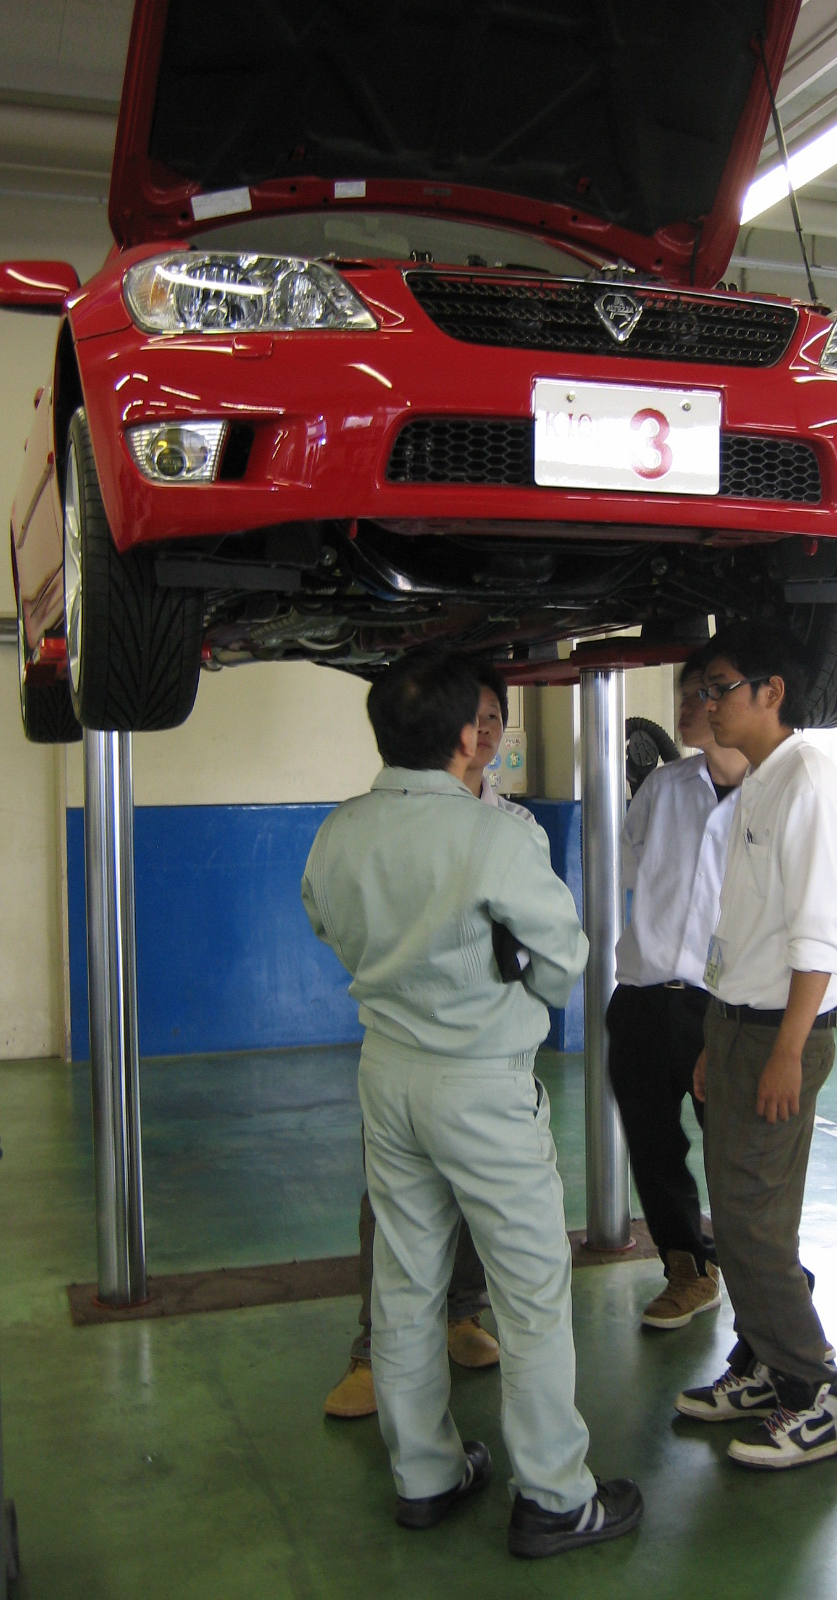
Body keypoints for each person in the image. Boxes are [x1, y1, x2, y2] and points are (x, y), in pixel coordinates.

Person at [302, 650, 642, 1554]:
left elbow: (324, 920)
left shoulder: (340, 830)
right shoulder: (495, 837)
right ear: (465, 736)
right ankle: (556, 1498)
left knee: (406, 1277)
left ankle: (425, 1474)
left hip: (387, 1073)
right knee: (529, 1291)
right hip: (483, 1083)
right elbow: (565, 961)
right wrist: (515, 992)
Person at [674, 626, 837, 1473]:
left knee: (753, 1226)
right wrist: (717, 1035)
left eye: (719, 687)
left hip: (779, 1031)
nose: (706, 703)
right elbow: (744, 926)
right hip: (737, 1025)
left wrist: (787, 1049)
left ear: (771, 691)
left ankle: (817, 1392)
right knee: (740, 1216)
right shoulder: (758, 784)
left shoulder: (808, 783)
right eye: (704, 690)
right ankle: (761, 1364)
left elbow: (820, 934)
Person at [323, 662, 528, 1419]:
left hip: (490, 1052)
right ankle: (374, 1351)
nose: (484, 731)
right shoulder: (381, 821)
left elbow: (546, 947)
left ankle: (460, 1315)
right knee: (394, 1202)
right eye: (473, 716)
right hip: (406, 1049)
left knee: (480, 1199)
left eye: (495, 717)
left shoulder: (516, 828)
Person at [607, 644, 749, 1329]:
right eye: (685, 693)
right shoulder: (663, 789)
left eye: (703, 692)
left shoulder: (773, 797)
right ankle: (687, 1270)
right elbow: (627, 869)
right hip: (641, 998)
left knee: (735, 1155)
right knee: (652, 1144)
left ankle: (761, 1284)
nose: (690, 706)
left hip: (721, 1007)